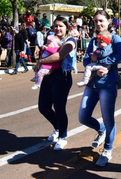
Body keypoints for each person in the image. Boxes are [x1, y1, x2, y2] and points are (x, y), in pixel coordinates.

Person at [78, 10, 121, 166]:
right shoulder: (93, 40)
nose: (98, 24)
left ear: (108, 21)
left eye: (101, 21)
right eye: (96, 21)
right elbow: (86, 59)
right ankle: (101, 130)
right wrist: (92, 66)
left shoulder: (115, 38)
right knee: (83, 117)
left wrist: (106, 64)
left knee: (108, 118)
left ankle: (107, 150)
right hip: (92, 84)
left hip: (107, 84)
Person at [35, 16, 77, 150]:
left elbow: (59, 56)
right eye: (56, 26)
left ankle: (62, 136)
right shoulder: (51, 38)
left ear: (67, 28)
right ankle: (58, 128)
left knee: (59, 108)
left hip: (62, 77)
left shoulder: (70, 41)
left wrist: (41, 61)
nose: (58, 28)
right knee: (43, 107)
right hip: (48, 76)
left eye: (61, 26)